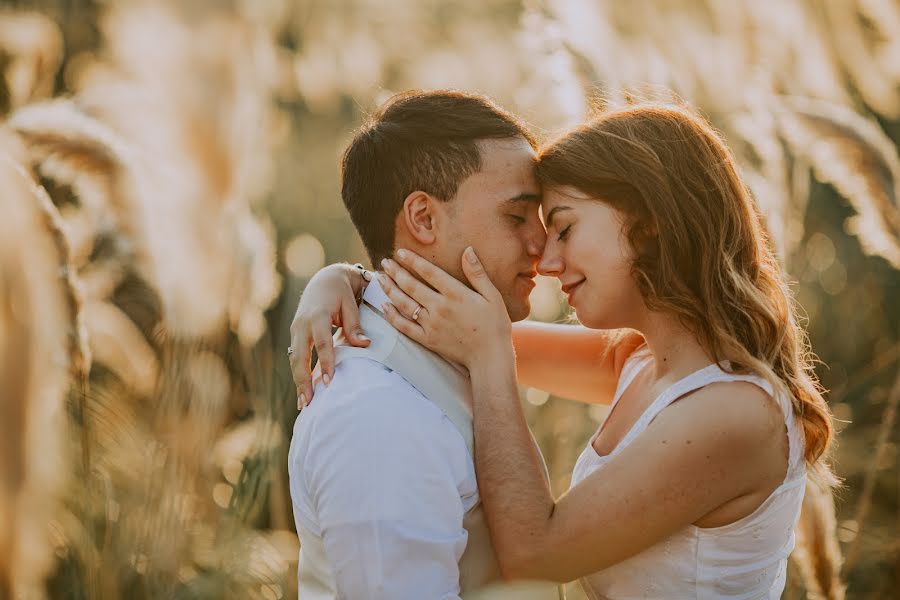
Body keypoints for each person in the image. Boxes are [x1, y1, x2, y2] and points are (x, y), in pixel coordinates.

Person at [290, 102, 837, 598]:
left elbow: (535, 553)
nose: (546, 261)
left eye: (564, 229)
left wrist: (488, 363)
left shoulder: (733, 413)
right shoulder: (642, 363)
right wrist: (353, 280)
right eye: (521, 219)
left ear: (647, 227)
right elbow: (452, 331)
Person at [286, 89, 560, 599]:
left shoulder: (471, 348)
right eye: (517, 217)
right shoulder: (376, 413)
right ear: (424, 219)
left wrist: (351, 276)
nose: (543, 245)